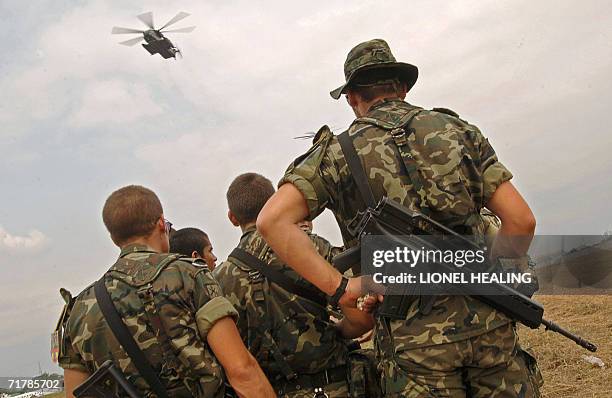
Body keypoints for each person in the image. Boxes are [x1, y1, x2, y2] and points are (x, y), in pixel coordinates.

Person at [257, 39, 542, 397]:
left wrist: (343, 288)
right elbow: (521, 222)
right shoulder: (459, 132)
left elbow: (272, 221)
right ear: (403, 88)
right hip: (490, 326)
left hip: (412, 345)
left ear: (352, 98)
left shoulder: (336, 153)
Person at [55, 185, 274, 398]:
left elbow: (75, 392)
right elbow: (241, 370)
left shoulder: (79, 310)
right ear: (161, 224)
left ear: (114, 238)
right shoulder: (187, 274)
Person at [213, 173, 377, 398]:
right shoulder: (310, 248)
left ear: (232, 218)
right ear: (273, 203)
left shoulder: (218, 279)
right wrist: (338, 329)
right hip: (334, 387)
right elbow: (362, 316)